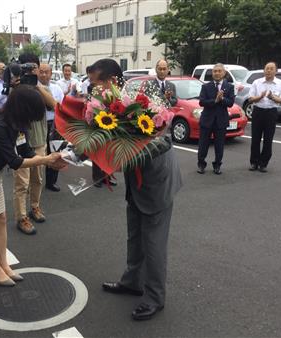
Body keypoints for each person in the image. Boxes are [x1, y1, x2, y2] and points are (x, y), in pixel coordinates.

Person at [91, 59, 182, 321]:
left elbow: (164, 139)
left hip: (156, 182)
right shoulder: (105, 106)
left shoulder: (142, 99)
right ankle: (132, 282)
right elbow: (100, 138)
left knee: (153, 243)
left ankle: (155, 297)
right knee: (135, 236)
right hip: (136, 184)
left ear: (111, 81)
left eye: (95, 83)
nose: (92, 88)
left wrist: (127, 158)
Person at [0, 86, 66, 286]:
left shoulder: (19, 124)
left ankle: (4, 265)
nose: (35, 117)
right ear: (23, 108)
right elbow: (15, 161)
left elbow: (26, 151)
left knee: (2, 218)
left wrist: (48, 159)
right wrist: (46, 160)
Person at [12, 54, 51, 235]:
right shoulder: (17, 89)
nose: (32, 71)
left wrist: (37, 86)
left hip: (40, 142)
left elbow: (54, 105)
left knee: (38, 179)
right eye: (27, 68)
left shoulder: (42, 89)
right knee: (22, 184)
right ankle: (21, 218)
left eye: (34, 67)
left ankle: (34, 207)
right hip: (21, 144)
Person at [197, 63, 235, 175]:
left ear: (224, 73)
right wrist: (215, 101)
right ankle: (201, 164)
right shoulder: (206, 86)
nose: (217, 73)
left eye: (219, 71)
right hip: (207, 119)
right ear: (212, 73)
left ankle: (217, 165)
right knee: (203, 144)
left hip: (221, 120)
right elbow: (201, 102)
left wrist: (222, 98)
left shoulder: (229, 87)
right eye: (215, 71)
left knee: (219, 145)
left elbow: (231, 103)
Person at [248, 62, 281, 172]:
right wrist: (259, 97)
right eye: (267, 68)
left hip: (271, 113)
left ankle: (263, 163)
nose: (268, 71)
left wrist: (272, 97)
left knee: (268, 139)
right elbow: (250, 99)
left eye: (271, 69)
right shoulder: (257, 82)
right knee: (255, 138)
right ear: (264, 70)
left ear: (276, 71)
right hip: (258, 111)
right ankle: (254, 162)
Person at [37, 63, 64, 192]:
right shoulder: (33, 87)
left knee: (54, 152)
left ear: (51, 73)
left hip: (55, 123)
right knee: (38, 153)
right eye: (41, 71)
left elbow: (61, 106)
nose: (43, 74)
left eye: (46, 72)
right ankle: (34, 182)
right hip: (38, 124)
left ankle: (51, 182)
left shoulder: (57, 88)